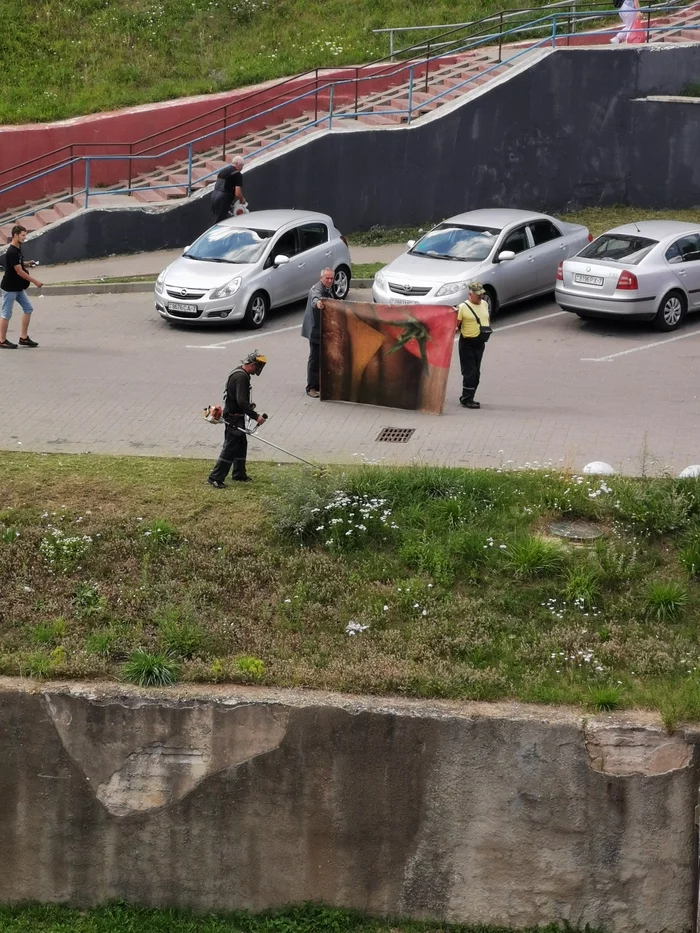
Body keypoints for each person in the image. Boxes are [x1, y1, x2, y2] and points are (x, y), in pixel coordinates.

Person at [207, 350, 267, 487]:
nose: (258, 370)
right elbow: (241, 401)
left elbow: (238, 398)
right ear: (251, 364)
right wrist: (256, 416)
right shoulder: (242, 377)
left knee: (241, 445)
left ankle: (239, 473)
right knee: (230, 447)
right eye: (257, 367)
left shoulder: (239, 372)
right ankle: (215, 477)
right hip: (234, 417)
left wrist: (248, 406)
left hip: (235, 415)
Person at [1, 224, 43, 349]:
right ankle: (1, 340)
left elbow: (18, 263)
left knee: (28, 309)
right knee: (6, 314)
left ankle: (23, 338)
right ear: (15, 235)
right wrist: (35, 281)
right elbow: (19, 271)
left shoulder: (17, 248)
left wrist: (27, 263)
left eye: (25, 235)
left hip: (17, 287)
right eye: (23, 235)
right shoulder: (12, 251)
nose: (25, 237)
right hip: (9, 288)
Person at [455, 282, 491, 410]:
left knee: (477, 373)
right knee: (471, 372)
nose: (480, 296)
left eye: (482, 293)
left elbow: (486, 319)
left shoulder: (485, 304)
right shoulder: (462, 307)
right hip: (467, 343)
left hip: (480, 343)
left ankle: (469, 396)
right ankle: (467, 399)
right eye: (478, 294)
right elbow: (455, 326)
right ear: (470, 294)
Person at [301, 268, 334, 398]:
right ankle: (311, 387)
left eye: (332, 278)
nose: (330, 281)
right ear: (321, 278)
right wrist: (319, 304)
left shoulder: (328, 288)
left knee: (322, 358)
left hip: (323, 330)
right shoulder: (317, 289)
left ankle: (320, 384)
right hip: (315, 330)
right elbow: (315, 300)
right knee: (315, 359)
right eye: (327, 278)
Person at [210, 155, 246, 224]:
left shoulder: (223, 170)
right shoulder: (237, 174)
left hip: (214, 197)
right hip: (223, 198)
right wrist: (242, 200)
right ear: (239, 165)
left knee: (219, 219)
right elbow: (237, 193)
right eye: (242, 166)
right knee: (223, 222)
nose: (242, 168)